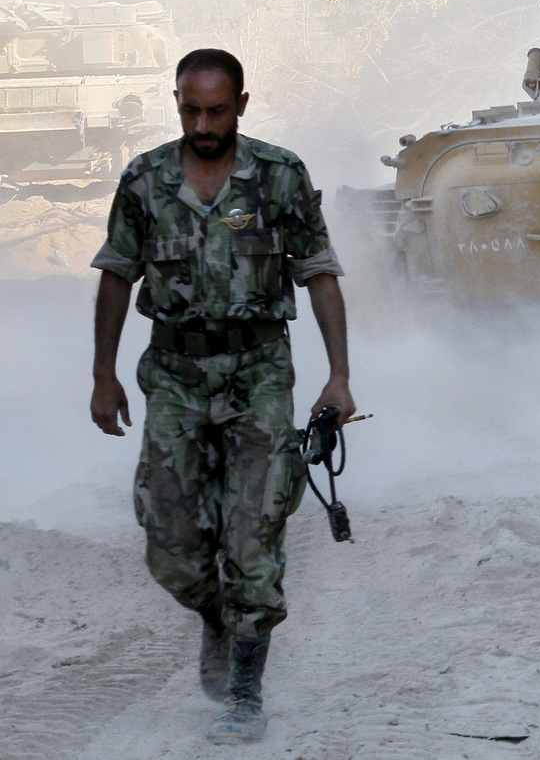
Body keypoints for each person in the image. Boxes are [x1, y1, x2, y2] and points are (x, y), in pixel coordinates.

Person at [88, 47, 355, 745]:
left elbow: (319, 270)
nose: (202, 123)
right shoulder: (145, 180)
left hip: (259, 372)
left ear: (241, 103)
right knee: (172, 548)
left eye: (215, 109)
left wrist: (339, 374)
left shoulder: (278, 175)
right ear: (177, 102)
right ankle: (214, 613)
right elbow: (117, 274)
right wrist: (103, 373)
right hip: (174, 375)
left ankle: (245, 686)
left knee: (254, 533)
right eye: (189, 109)